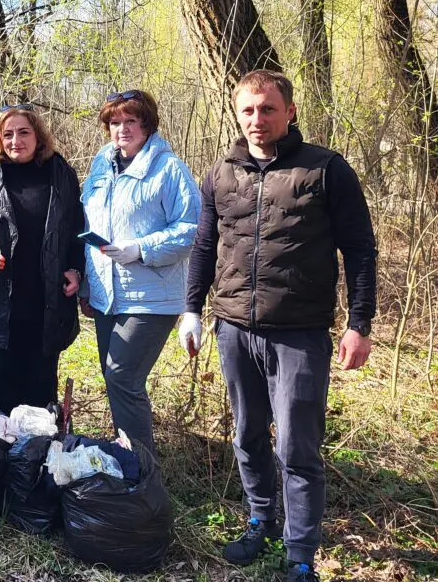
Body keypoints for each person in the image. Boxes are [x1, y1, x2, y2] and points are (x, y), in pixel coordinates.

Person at [182, 70, 376, 582]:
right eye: (247, 109)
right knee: (247, 435)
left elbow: (359, 250)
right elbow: (205, 246)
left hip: (300, 332)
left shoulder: (326, 169)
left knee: (296, 445)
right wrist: (190, 309)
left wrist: (360, 323)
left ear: (289, 111)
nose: (257, 120)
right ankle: (260, 521)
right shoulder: (222, 172)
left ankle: (300, 553)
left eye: (267, 109)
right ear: (236, 113)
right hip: (232, 328)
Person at [80, 89, 200, 457]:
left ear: (147, 124)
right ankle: (125, 457)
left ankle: (140, 469)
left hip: (151, 296)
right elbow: (88, 223)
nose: (122, 129)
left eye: (130, 121)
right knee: (116, 379)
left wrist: (141, 248)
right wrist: (87, 285)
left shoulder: (169, 169)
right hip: (105, 294)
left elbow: (192, 228)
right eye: (115, 122)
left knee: (122, 376)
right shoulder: (101, 166)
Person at [0, 105, 83, 414]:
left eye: (23, 132)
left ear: (37, 136)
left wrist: (76, 270)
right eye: (7, 134)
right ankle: (7, 455)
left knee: (42, 390)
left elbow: (78, 229)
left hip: (47, 300)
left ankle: (40, 455)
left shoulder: (60, 172)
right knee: (3, 389)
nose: (15, 141)